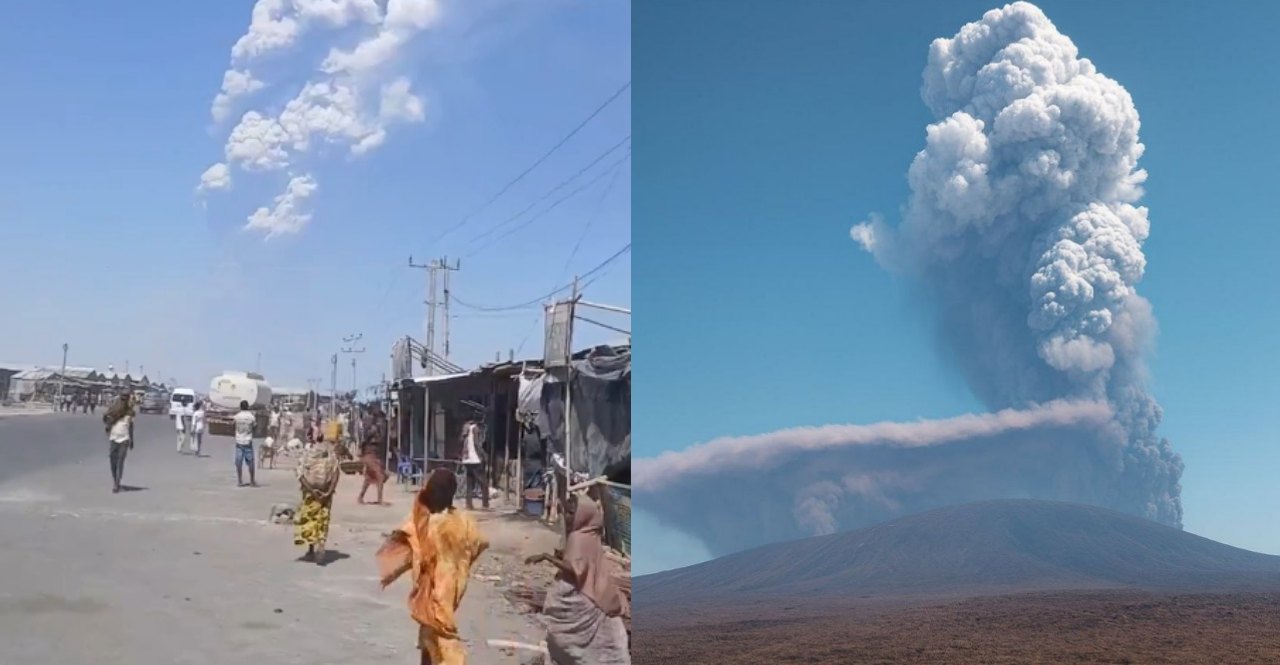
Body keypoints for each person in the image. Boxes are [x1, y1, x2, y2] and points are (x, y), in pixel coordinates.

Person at [376, 469, 489, 665]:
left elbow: (409, 546)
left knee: (440, 629)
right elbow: (479, 543)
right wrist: (461, 564)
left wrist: (392, 570)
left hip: (435, 586)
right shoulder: (465, 520)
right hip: (454, 583)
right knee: (430, 629)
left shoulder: (427, 522)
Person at [526, 495, 630, 664]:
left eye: (572, 513)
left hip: (582, 595)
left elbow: (575, 569)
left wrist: (546, 557)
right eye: (567, 512)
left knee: (572, 636)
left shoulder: (579, 537)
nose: (567, 517)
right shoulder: (588, 534)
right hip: (586, 592)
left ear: (583, 515)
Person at [295, 431, 341, 563]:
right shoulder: (330, 454)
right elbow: (336, 474)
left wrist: (312, 491)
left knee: (310, 518)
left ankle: (311, 548)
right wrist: (329, 492)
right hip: (325, 492)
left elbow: (300, 476)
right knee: (323, 519)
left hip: (310, 492)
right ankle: (320, 545)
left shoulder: (306, 454)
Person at [102, 391, 135, 494]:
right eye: (123, 397)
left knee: (120, 461)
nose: (124, 399)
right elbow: (105, 418)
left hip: (124, 439)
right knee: (113, 460)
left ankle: (117, 483)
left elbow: (131, 427)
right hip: (114, 438)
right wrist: (108, 423)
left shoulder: (130, 412)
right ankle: (115, 479)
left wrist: (132, 440)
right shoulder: (113, 409)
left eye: (126, 397)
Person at [357, 405, 390, 506]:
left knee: (369, 477)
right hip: (369, 453)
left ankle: (360, 497)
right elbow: (365, 438)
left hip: (375, 454)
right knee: (380, 476)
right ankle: (380, 500)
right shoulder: (371, 427)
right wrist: (374, 430)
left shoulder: (381, 428)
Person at [460, 420, 487, 510]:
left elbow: (462, 442)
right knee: (483, 483)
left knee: (470, 483)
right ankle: (485, 504)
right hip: (475, 459)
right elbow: (477, 444)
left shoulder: (466, 428)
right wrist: (482, 455)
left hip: (467, 460)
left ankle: (469, 504)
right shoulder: (476, 429)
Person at [233, 400, 258, 487]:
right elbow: (255, 427)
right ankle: (252, 481)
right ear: (247, 407)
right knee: (250, 462)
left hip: (239, 442)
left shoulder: (237, 416)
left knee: (238, 462)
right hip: (248, 441)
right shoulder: (251, 417)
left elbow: (233, 425)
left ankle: (240, 481)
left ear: (240, 407)